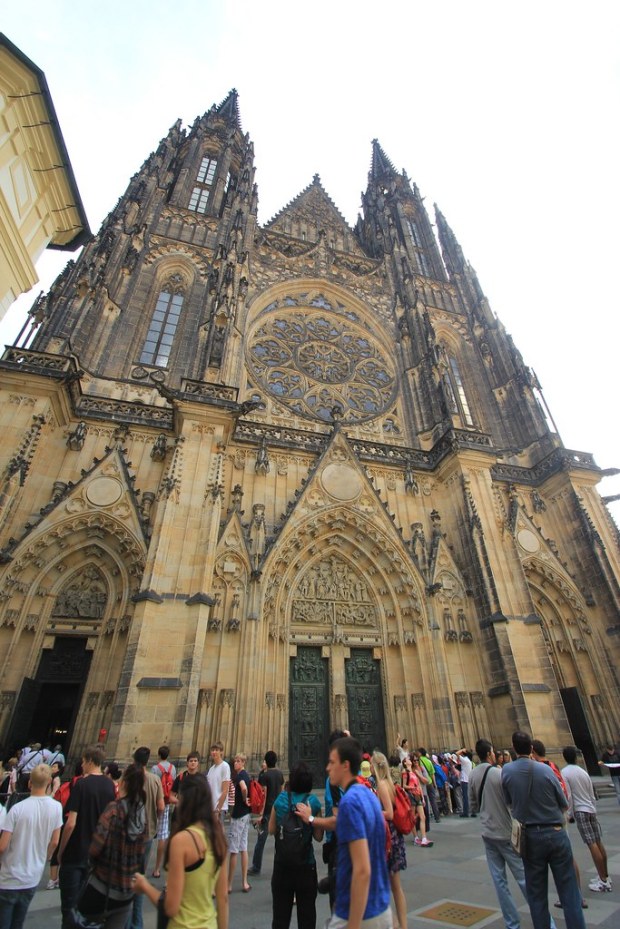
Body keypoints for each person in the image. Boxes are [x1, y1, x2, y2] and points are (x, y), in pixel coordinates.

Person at [470, 739, 558, 929]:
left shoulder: (473, 775)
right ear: (489, 754)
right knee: (525, 878)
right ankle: (547, 923)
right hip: (507, 832)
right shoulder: (499, 774)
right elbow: (512, 801)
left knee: (499, 882)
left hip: (487, 832)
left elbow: (473, 806)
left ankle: (512, 924)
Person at [502, 731, 585, 929]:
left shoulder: (507, 771)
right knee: (569, 892)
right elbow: (564, 804)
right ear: (531, 748)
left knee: (536, 894)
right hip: (555, 831)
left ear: (513, 748)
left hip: (529, 836)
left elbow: (509, 803)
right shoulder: (546, 770)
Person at [134, 775, 228, 929]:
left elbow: (171, 908)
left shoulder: (181, 840)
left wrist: (144, 886)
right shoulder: (219, 838)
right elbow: (223, 899)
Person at [324, 737, 391, 929]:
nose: (327, 768)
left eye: (331, 762)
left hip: (359, 913)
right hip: (379, 904)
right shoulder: (369, 795)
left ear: (345, 765)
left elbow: (362, 870)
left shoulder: (350, 802)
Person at [74, 764, 147, 929]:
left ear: (124, 783)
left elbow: (95, 847)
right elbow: (141, 853)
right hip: (126, 891)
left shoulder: (114, 809)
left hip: (103, 887)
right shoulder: (141, 815)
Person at [57, 745, 116, 929]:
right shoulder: (109, 785)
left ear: (89, 761)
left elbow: (71, 823)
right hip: (97, 852)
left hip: (76, 852)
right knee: (86, 904)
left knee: (69, 906)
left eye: (83, 761)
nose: (81, 764)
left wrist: (59, 851)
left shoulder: (81, 784)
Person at [0, 763, 62, 929]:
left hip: (9, 877)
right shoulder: (56, 808)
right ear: (49, 781)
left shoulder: (16, 809)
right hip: (32, 875)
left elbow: (2, 846)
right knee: (18, 922)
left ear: (29, 783)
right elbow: (55, 841)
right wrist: (44, 857)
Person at [269, 760, 323, 929]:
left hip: (282, 865)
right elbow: (319, 837)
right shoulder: (313, 802)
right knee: (307, 917)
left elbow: (271, 830)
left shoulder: (280, 799)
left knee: (280, 918)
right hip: (306, 865)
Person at [562, 745, 612, 893]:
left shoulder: (565, 772)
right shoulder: (583, 772)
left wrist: (569, 813)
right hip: (590, 809)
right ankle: (605, 876)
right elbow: (592, 793)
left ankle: (603, 881)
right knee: (597, 841)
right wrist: (593, 807)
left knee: (591, 844)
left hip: (580, 811)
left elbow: (569, 796)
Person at [126, 747, 164, 929]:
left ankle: (128, 919)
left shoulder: (127, 781)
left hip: (128, 834)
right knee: (139, 873)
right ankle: (136, 921)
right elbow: (161, 806)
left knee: (127, 875)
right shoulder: (154, 779)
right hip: (148, 831)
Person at [372, 751, 408, 929]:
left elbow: (389, 813)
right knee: (395, 886)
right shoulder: (391, 784)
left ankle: (393, 924)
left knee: (382, 884)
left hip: (387, 837)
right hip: (396, 837)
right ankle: (401, 924)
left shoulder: (381, 786)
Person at [249, 750, 283, 876]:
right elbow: (281, 790)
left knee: (261, 840)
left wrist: (261, 813)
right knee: (280, 840)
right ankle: (281, 865)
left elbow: (264, 795)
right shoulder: (280, 774)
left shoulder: (266, 776)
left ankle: (256, 866)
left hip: (268, 811)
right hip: (279, 810)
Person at [151, 745, 177, 879]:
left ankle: (141, 866)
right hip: (166, 803)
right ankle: (157, 868)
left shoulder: (155, 769)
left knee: (148, 833)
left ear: (158, 755)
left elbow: (152, 786)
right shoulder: (173, 769)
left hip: (153, 804)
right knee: (162, 834)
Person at [228, 753, 252, 893]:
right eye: (235, 761)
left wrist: (243, 799)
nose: (235, 763)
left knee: (234, 850)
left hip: (239, 815)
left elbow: (243, 788)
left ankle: (229, 884)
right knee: (243, 847)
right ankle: (244, 882)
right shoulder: (245, 775)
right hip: (246, 814)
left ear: (243, 763)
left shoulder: (240, 776)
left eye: (237, 761)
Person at [401, 755, 431, 847]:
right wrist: (412, 787)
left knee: (423, 817)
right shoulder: (405, 772)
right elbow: (403, 786)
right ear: (405, 763)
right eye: (408, 760)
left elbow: (418, 785)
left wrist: (422, 797)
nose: (410, 760)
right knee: (413, 818)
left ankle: (424, 838)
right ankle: (416, 838)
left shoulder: (414, 772)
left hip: (418, 796)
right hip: (411, 796)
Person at [206, 742, 231, 821]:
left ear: (221, 752)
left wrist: (218, 809)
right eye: (212, 750)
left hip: (219, 808)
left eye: (216, 750)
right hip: (211, 807)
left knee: (218, 831)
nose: (214, 752)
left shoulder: (225, 766)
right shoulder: (211, 769)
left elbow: (225, 790)